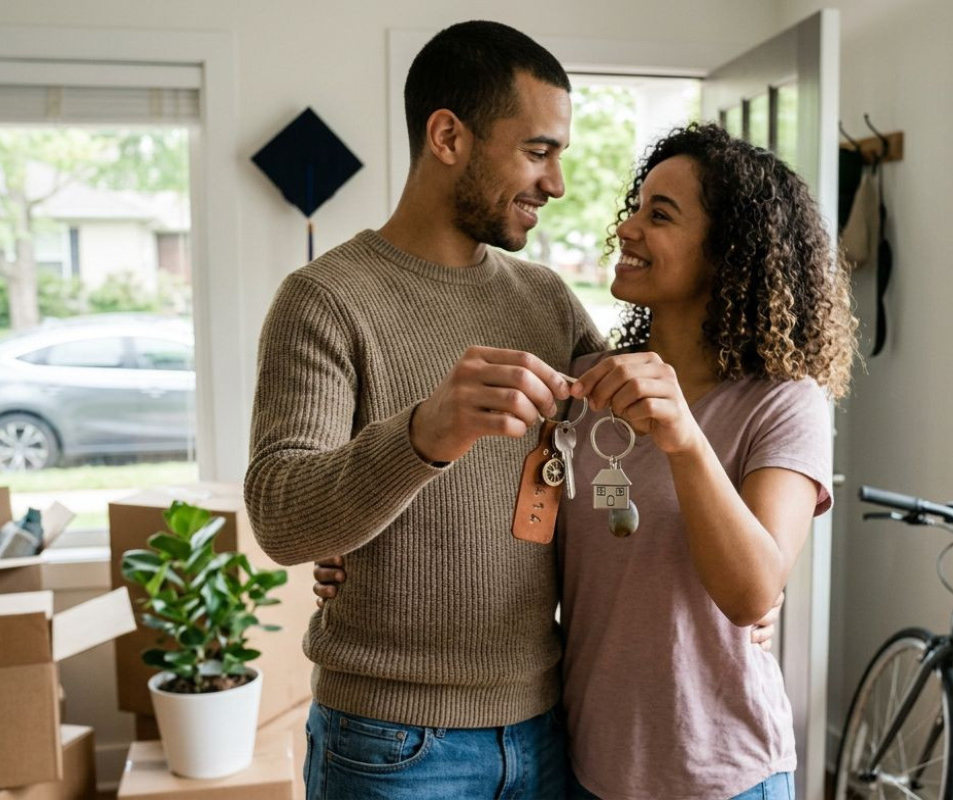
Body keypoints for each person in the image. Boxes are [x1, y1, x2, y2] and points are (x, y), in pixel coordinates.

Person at [245, 20, 600, 800]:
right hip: (391, 745)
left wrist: (750, 579)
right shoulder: (325, 301)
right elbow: (279, 515)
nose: (556, 183)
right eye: (538, 151)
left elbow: (640, 449)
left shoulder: (547, 298)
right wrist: (423, 435)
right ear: (448, 136)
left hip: (547, 727)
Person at [558, 123, 855, 799]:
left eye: (659, 215)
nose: (627, 228)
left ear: (729, 254)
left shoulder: (785, 402)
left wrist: (685, 439)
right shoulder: (587, 385)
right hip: (585, 767)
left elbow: (753, 591)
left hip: (723, 775)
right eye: (636, 206)